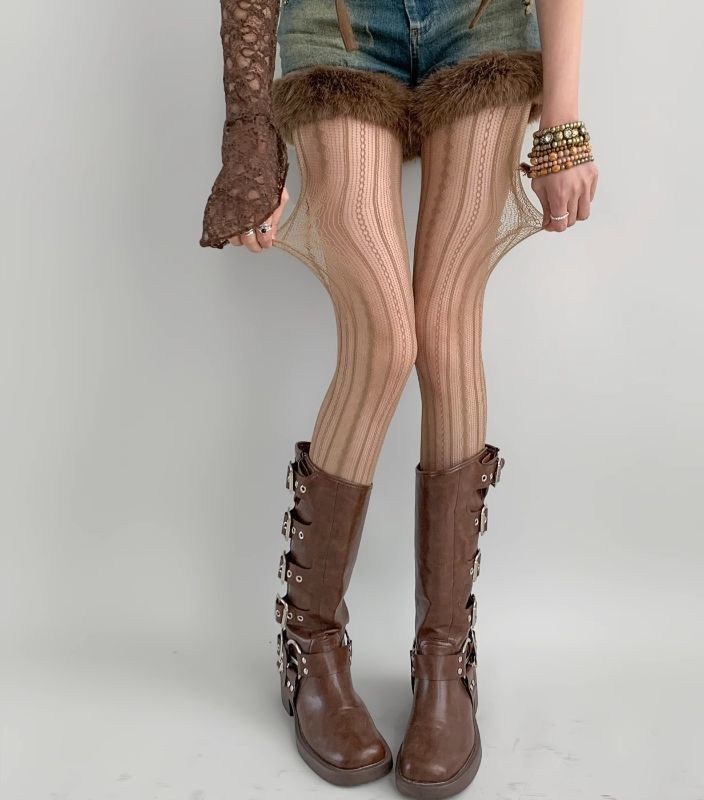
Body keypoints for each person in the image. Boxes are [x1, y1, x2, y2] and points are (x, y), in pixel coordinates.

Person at [199, 1, 598, 796]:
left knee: (447, 329)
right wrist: (249, 130)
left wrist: (562, 121)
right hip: (336, 25)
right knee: (384, 339)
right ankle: (310, 639)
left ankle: (445, 656)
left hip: (480, 24)